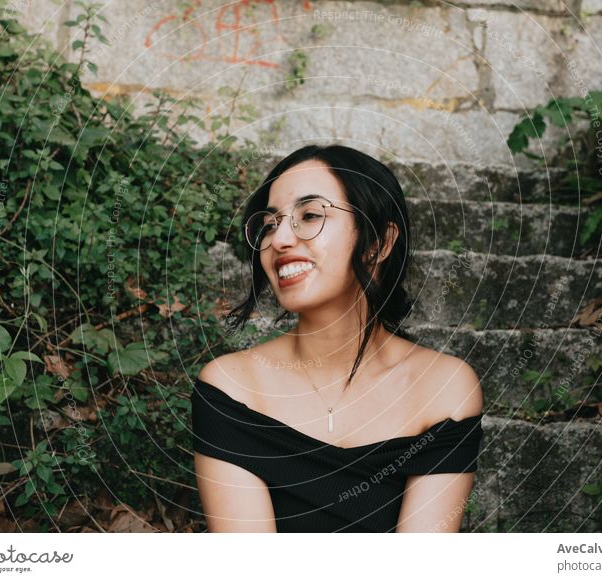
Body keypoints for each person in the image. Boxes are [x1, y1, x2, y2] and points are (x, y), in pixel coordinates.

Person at [191, 143, 484, 532]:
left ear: (378, 242)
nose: (279, 240)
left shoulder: (442, 388)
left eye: (309, 215)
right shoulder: (232, 389)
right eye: (270, 223)